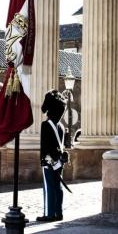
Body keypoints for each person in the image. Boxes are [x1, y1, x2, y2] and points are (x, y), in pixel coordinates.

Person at [36, 89, 67, 222]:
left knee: (49, 187)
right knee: (57, 187)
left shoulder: (45, 125)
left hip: (49, 161)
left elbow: (45, 146)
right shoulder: (61, 126)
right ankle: (58, 213)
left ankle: (49, 214)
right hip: (59, 161)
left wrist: (46, 160)